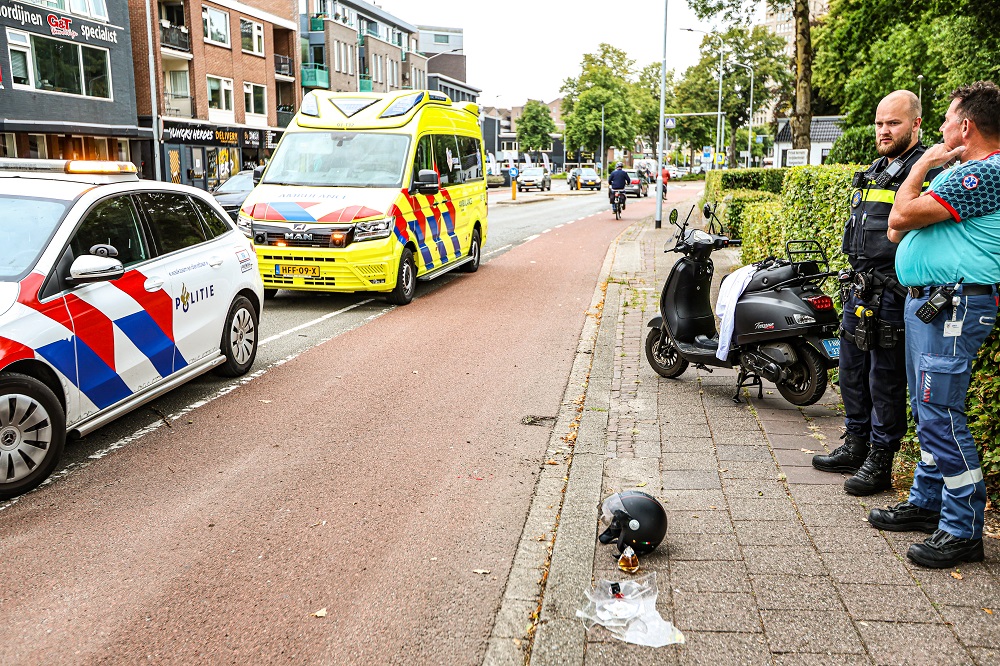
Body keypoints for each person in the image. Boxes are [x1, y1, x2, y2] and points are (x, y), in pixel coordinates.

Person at [868, 80, 1000, 569]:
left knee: (940, 411)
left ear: (965, 126)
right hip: (929, 304)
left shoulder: (987, 174)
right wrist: (928, 176)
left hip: (955, 307)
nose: (942, 127)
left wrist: (922, 163)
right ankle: (927, 504)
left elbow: (901, 209)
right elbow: (896, 226)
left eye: (947, 118)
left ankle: (963, 529)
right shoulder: (966, 170)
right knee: (928, 411)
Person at [812, 90, 941, 496]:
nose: (884, 130)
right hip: (860, 289)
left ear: (916, 124)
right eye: (880, 123)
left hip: (893, 292)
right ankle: (856, 444)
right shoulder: (877, 168)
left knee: (884, 380)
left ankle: (881, 460)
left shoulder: (925, 172)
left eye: (894, 123)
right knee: (851, 372)